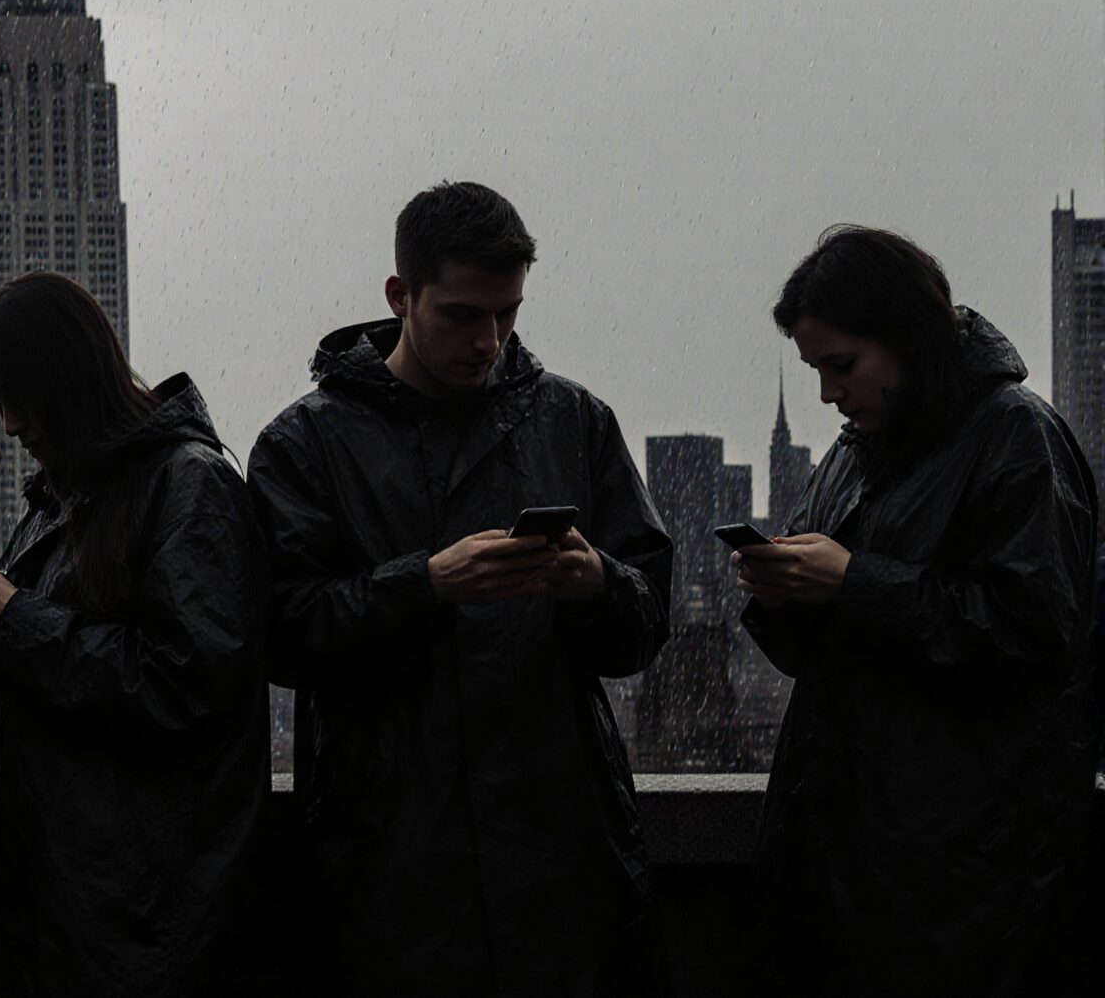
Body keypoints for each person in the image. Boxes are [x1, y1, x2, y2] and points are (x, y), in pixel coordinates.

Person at [246, 180, 672, 996]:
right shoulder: (305, 443)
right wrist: (428, 585)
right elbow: (278, 632)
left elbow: (646, 624)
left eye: (508, 313)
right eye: (464, 315)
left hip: (560, 858)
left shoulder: (573, 421)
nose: (490, 340)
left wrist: (595, 583)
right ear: (400, 296)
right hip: (389, 862)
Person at [740, 226, 1097, 997]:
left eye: (841, 366)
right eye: (816, 370)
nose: (829, 393)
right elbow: (832, 652)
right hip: (844, 862)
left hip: (965, 882)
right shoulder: (851, 451)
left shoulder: (1017, 435)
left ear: (906, 338)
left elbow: (1034, 634)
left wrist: (854, 580)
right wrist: (784, 598)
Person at [0, 272, 268, 996]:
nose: (11, 424)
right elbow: (16, 704)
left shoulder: (190, 485)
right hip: (50, 912)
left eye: (16, 399)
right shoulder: (61, 502)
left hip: (127, 925)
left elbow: (185, 687)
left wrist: (14, 617)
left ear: (69, 377)